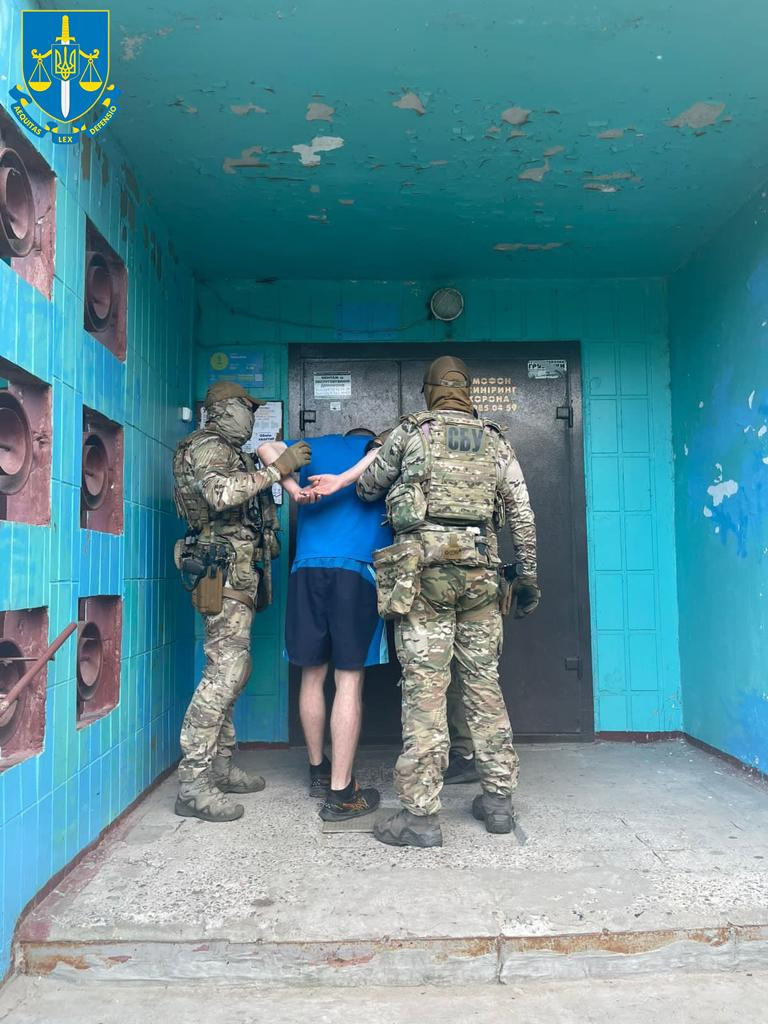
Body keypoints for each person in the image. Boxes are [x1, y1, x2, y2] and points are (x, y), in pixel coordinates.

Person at [356, 356, 540, 848]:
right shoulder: (495, 440)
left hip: (424, 579)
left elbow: (368, 487)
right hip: (481, 576)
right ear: (468, 391)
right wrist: (528, 576)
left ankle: (420, 817)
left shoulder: (411, 432)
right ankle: (498, 802)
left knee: (425, 691)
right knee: (483, 685)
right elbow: (522, 513)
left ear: (429, 390)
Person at [172, 381, 311, 822]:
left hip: (237, 573)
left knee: (234, 672)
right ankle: (193, 784)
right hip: (223, 573)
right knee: (223, 675)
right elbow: (219, 495)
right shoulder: (208, 446)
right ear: (227, 409)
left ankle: (221, 765)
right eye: (247, 409)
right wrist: (277, 470)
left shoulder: (230, 450)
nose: (252, 417)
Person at [257, 430, 390, 821]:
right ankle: (341, 792)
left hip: (307, 569)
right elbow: (387, 450)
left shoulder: (316, 446)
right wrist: (346, 479)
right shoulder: (375, 450)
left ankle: (317, 771)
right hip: (357, 570)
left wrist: (294, 490)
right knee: (348, 679)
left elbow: (265, 447)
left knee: (312, 675)